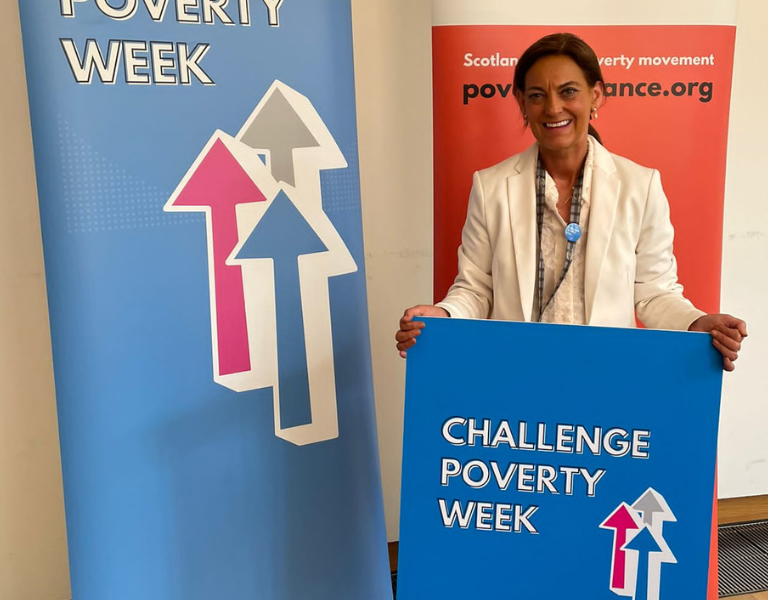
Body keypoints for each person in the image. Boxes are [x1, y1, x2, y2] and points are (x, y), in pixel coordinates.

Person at [396, 33, 746, 370]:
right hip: (515, 372)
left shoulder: (640, 185)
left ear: (595, 95)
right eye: (536, 95)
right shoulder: (491, 187)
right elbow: (476, 288)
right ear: (521, 102)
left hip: (605, 374)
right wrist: (443, 315)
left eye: (568, 92)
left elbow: (654, 293)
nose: (553, 108)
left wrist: (695, 322)